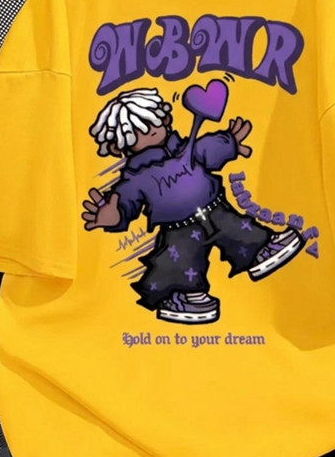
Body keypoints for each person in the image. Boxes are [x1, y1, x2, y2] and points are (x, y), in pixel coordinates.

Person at [81, 84, 305, 324]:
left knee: (240, 230)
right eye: (137, 132)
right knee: (179, 260)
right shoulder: (136, 176)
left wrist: (229, 142)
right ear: (119, 145)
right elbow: (126, 199)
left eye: (151, 123)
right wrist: (114, 214)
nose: (150, 132)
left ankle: (260, 251)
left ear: (165, 119)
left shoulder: (184, 148)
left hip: (215, 209)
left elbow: (205, 149)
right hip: (179, 230)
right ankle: (184, 295)